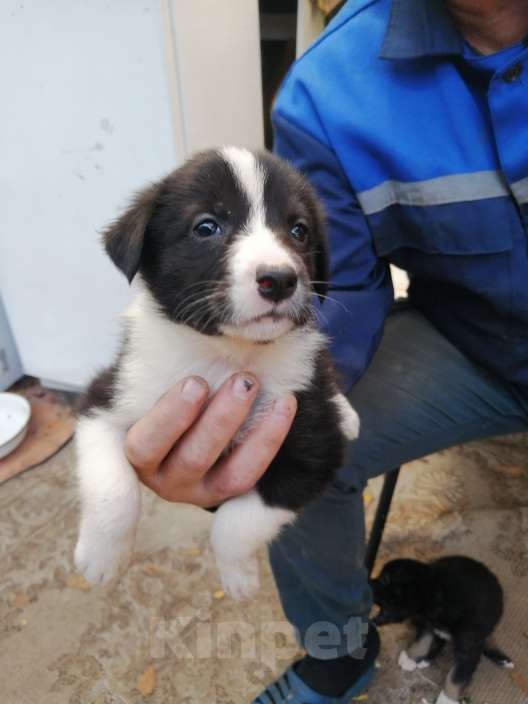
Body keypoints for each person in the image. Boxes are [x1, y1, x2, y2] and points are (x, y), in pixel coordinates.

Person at [125, 1, 528, 701]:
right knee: (292, 452)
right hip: (480, 345)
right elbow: (340, 294)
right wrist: (254, 416)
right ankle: (336, 651)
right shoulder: (326, 92)